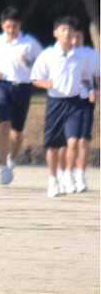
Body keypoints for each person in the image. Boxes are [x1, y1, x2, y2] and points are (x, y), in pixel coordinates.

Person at [31, 16, 96, 198]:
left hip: (74, 103)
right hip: (55, 103)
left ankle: (68, 174)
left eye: (70, 30)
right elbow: (35, 78)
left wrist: (91, 89)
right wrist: (45, 84)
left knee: (73, 141)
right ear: (55, 33)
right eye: (63, 30)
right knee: (52, 146)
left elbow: (85, 77)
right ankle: (53, 179)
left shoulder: (80, 56)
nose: (67, 33)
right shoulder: (48, 55)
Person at [0, 7, 43, 184]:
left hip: (23, 87)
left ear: (20, 25)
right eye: (8, 26)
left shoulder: (29, 43)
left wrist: (29, 62)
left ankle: (12, 158)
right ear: (2, 24)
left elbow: (43, 64)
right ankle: (3, 166)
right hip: (2, 86)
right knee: (4, 124)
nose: (11, 30)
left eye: (15, 26)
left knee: (17, 132)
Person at [71, 26, 98, 193]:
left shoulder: (91, 54)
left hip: (86, 99)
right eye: (73, 36)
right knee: (69, 141)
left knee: (83, 139)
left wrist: (97, 91)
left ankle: (80, 174)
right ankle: (66, 173)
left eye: (78, 36)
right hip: (67, 101)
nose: (75, 40)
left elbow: (97, 76)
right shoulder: (60, 53)